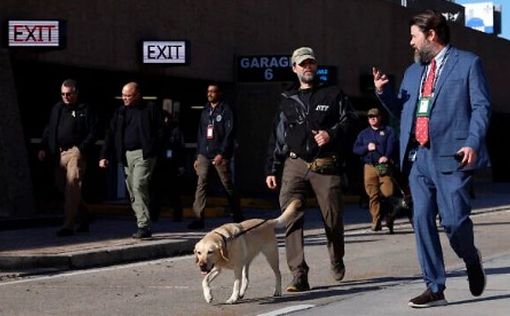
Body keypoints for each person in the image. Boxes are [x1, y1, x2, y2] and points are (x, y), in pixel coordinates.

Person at [373, 10, 490, 308]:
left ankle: (470, 257)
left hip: (454, 156)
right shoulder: (413, 73)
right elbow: (403, 114)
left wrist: (473, 143)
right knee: (421, 219)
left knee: (453, 221)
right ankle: (434, 287)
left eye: (414, 36)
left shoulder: (468, 63)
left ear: (431, 35)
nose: (410, 43)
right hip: (418, 158)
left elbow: (481, 107)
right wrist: (384, 94)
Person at [265, 47, 351, 292]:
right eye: (302, 64)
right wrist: (272, 169)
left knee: (332, 218)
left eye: (311, 63)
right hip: (294, 164)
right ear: (294, 68)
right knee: (290, 218)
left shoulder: (333, 94)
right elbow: (277, 137)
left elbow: (351, 120)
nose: (307, 67)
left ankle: (336, 257)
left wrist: (331, 134)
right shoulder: (287, 100)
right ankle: (298, 275)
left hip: (325, 164)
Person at [99, 82, 164, 239]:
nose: (125, 98)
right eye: (123, 95)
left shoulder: (150, 109)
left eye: (129, 96)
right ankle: (142, 222)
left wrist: (153, 148)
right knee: (132, 191)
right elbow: (110, 133)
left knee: (139, 184)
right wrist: (104, 155)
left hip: (144, 154)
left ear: (138, 95)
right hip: (126, 155)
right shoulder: (120, 112)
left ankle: (144, 225)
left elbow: (161, 130)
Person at [38, 79, 98, 237]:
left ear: (76, 93)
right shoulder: (57, 108)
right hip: (58, 153)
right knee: (62, 187)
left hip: (75, 153)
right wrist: (44, 147)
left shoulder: (85, 109)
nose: (66, 97)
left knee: (72, 187)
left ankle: (68, 225)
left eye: (69, 94)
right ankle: (85, 214)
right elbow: (49, 128)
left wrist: (81, 148)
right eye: (63, 94)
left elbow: (94, 131)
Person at [188, 84, 243, 229]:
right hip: (204, 153)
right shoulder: (205, 111)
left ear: (219, 93)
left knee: (227, 184)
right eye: (208, 92)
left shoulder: (226, 110)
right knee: (202, 183)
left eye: (213, 91)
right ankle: (198, 218)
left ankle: (237, 214)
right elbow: (200, 133)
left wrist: (222, 153)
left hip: (220, 154)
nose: (210, 94)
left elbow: (229, 134)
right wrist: (197, 155)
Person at [353, 107, 398, 232]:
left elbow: (392, 145)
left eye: (375, 116)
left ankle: (389, 217)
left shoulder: (388, 131)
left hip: (383, 166)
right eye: (370, 117)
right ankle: (376, 220)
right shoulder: (364, 134)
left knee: (388, 193)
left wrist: (386, 156)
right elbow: (356, 149)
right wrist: (366, 147)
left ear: (380, 117)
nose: (372, 118)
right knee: (372, 195)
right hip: (369, 167)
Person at [150, 110, 186, 222]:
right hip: (159, 164)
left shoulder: (175, 131)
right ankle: (154, 215)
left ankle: (177, 215)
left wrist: (180, 164)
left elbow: (180, 148)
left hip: (172, 164)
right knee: (157, 193)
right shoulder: (156, 131)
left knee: (173, 192)